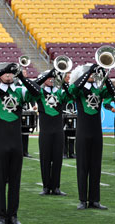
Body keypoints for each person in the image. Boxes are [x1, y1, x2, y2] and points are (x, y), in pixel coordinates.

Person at [0, 62, 41, 224]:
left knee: (15, 181)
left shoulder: (20, 91)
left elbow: (37, 91)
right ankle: (1, 216)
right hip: (0, 142)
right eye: (5, 73)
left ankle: (13, 216)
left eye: (10, 73)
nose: (8, 75)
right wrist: (1, 70)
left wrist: (20, 75)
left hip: (16, 142)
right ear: (0, 75)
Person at [68, 63, 115, 210]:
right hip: (82, 132)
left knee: (96, 166)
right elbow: (72, 89)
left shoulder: (99, 89)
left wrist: (104, 75)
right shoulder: (79, 89)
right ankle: (83, 200)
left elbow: (112, 92)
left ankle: (95, 200)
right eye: (90, 74)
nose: (93, 76)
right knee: (82, 167)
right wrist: (87, 72)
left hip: (96, 132)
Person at [32, 68, 72, 196]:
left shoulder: (60, 92)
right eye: (48, 78)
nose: (50, 80)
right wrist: (47, 75)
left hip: (58, 130)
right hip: (45, 130)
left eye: (52, 78)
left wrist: (61, 79)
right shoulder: (39, 92)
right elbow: (33, 85)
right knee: (45, 159)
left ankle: (56, 187)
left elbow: (70, 94)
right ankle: (45, 187)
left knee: (57, 159)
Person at [62, 72, 76, 159]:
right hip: (64, 112)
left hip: (72, 112)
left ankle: (71, 152)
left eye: (70, 77)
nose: (69, 78)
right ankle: (64, 153)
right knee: (64, 133)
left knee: (72, 133)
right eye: (67, 77)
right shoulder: (61, 86)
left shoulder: (73, 87)